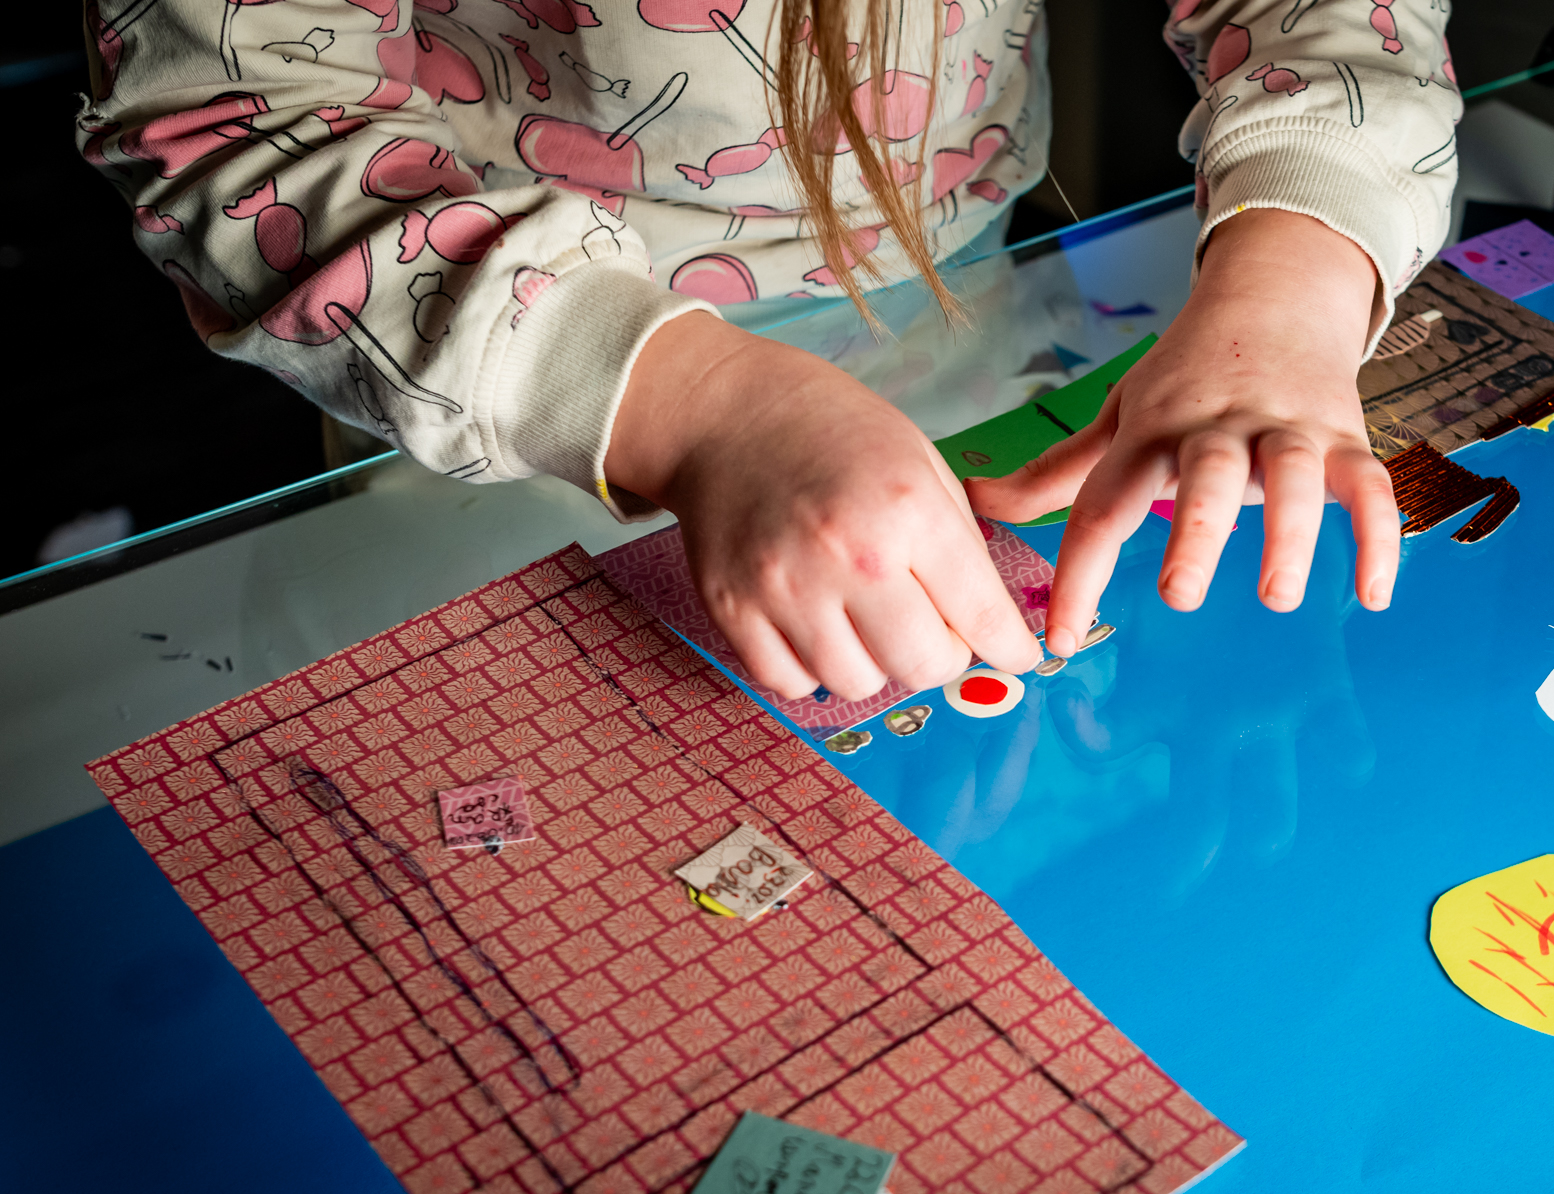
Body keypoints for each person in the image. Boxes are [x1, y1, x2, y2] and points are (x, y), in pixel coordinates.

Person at [79, 0, 1459, 702]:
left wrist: (1288, 293)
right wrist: (690, 403)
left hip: (967, 293)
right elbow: (228, 108)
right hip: (485, 386)